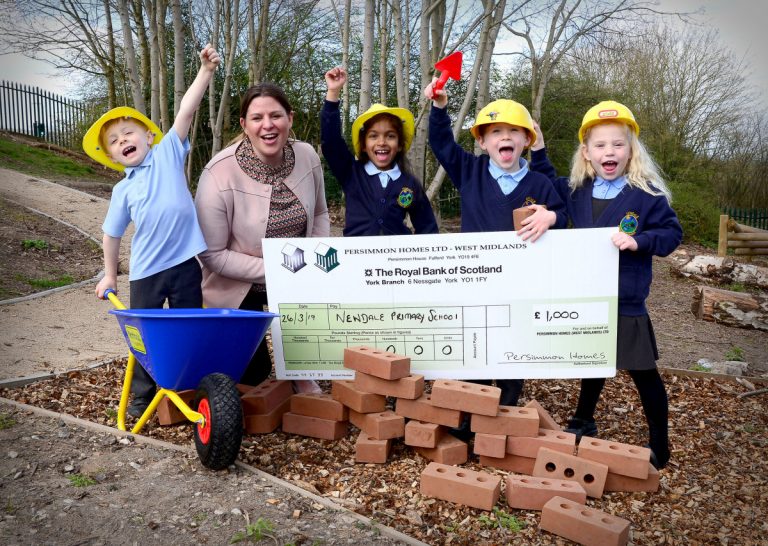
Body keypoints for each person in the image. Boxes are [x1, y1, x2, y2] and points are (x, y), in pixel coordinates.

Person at [530, 100, 683, 469]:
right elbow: (548, 180)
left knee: (643, 372)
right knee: (593, 361)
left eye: (618, 144)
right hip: (588, 297)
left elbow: (671, 233)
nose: (609, 151)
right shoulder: (578, 190)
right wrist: (537, 148)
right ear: (587, 152)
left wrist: (639, 241)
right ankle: (584, 419)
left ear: (631, 151)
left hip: (626, 301)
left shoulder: (646, 195)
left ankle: (660, 444)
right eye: (600, 145)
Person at [83, 44, 221, 418]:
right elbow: (111, 234)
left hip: (184, 265)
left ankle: (190, 392)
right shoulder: (122, 189)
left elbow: (186, 110)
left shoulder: (168, 153)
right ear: (112, 157)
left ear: (148, 136)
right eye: (114, 141)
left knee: (188, 331)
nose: (122, 141)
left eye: (128, 133)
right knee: (144, 338)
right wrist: (111, 274)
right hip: (145, 272)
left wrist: (205, 71)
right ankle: (143, 398)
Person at [423, 79, 567, 414]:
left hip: (521, 290)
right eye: (496, 132)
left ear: (526, 141)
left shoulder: (540, 184)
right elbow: (442, 143)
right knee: (473, 354)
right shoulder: (469, 172)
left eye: (514, 131)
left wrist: (552, 218)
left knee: (512, 354)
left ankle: (501, 420)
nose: (505, 137)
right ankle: (468, 420)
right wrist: (440, 108)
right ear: (484, 142)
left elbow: (566, 218)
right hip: (475, 286)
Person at [194, 83, 328, 394]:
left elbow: (321, 213)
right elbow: (211, 255)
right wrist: (276, 269)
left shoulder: (307, 156)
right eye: (257, 118)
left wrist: (314, 256)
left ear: (289, 119)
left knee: (308, 371)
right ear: (244, 125)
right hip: (239, 287)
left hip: (296, 279)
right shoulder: (219, 174)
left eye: (275, 115)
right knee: (252, 378)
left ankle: (300, 369)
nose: (267, 125)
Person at [321, 67, 438, 235]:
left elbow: (428, 228)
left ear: (399, 145)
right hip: (357, 259)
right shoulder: (351, 173)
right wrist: (333, 93)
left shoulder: (410, 184)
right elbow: (331, 143)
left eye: (390, 136)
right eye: (373, 136)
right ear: (363, 145)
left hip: (397, 259)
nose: (382, 142)